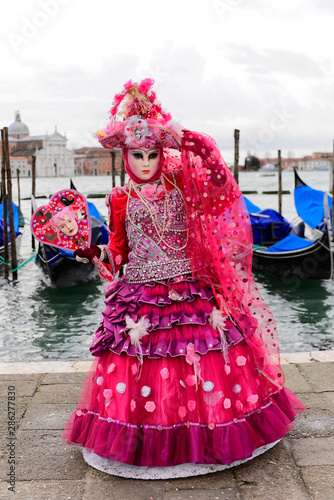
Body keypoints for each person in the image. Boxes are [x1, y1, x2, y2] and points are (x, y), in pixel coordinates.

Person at [62, 78, 305, 479]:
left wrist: (197, 145)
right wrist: (94, 252)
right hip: (139, 299)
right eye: (136, 154)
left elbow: (219, 186)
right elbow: (118, 255)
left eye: (152, 154)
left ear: (163, 153)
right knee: (143, 369)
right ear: (125, 156)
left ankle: (210, 434)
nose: (144, 163)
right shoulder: (119, 200)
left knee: (202, 364)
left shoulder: (182, 184)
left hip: (191, 293)